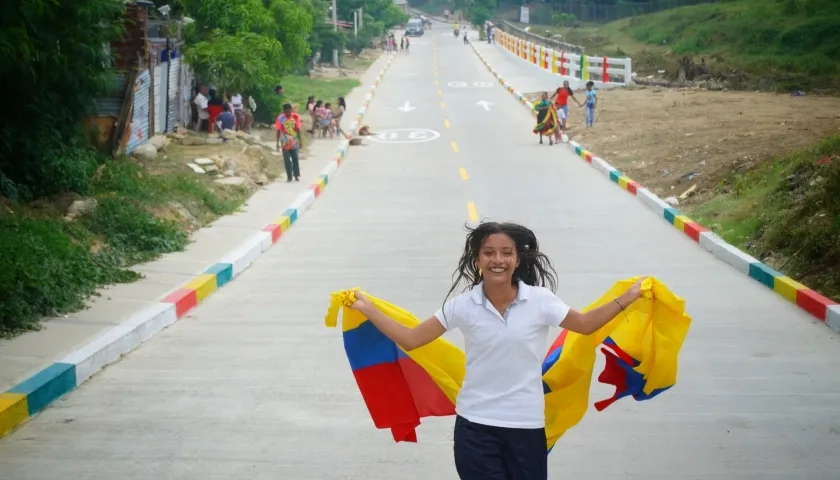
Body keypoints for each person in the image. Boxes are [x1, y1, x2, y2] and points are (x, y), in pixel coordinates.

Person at [348, 221, 646, 480]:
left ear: (517, 259)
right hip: (476, 426)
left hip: (526, 427)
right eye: (489, 253)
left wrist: (629, 296)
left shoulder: (540, 301)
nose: (497, 260)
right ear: (477, 258)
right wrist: (369, 309)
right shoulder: (463, 305)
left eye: (506, 253)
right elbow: (412, 339)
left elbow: (584, 324)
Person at [276, 103, 302, 183]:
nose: (288, 113)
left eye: (289, 111)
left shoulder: (295, 117)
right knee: (287, 159)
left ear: (291, 110)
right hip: (284, 140)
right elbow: (278, 131)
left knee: (295, 158)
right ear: (284, 111)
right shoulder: (280, 118)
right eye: (286, 112)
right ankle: (289, 176)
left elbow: (298, 129)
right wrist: (277, 143)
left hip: (294, 139)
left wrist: (300, 141)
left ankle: (296, 175)